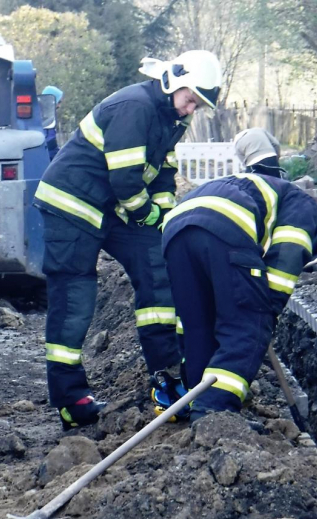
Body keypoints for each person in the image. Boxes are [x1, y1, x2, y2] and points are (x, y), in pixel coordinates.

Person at [34, 50, 222, 430]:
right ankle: (72, 401)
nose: (190, 111)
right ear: (174, 83)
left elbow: (164, 174)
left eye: (197, 106)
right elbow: (126, 181)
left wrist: (166, 219)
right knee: (75, 303)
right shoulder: (134, 106)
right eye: (190, 101)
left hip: (111, 208)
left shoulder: (170, 118)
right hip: (73, 206)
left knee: (159, 266)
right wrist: (151, 215)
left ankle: (166, 379)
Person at [160, 128, 317, 417]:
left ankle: (197, 397)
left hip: (174, 231)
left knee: (198, 328)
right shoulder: (297, 198)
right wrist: (266, 309)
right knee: (246, 327)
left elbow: (190, 323)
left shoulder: (235, 184)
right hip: (224, 226)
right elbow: (289, 252)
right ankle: (213, 411)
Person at [41, 85, 63, 161]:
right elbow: (49, 141)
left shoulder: (46, 114)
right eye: (58, 102)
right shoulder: (45, 117)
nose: (59, 105)